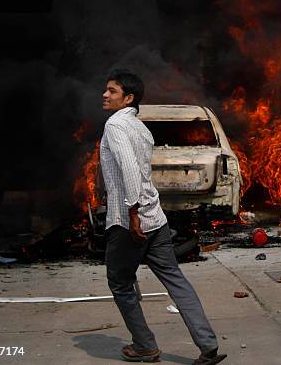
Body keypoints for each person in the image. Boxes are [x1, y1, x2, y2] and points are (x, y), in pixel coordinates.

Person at [100, 68, 226, 364]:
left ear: (128, 98)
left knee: (120, 282)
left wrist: (132, 215)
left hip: (130, 221)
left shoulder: (115, 126)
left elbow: (131, 171)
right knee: (175, 279)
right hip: (156, 218)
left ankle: (145, 346)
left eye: (112, 91)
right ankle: (208, 345)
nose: (105, 95)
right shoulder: (140, 128)